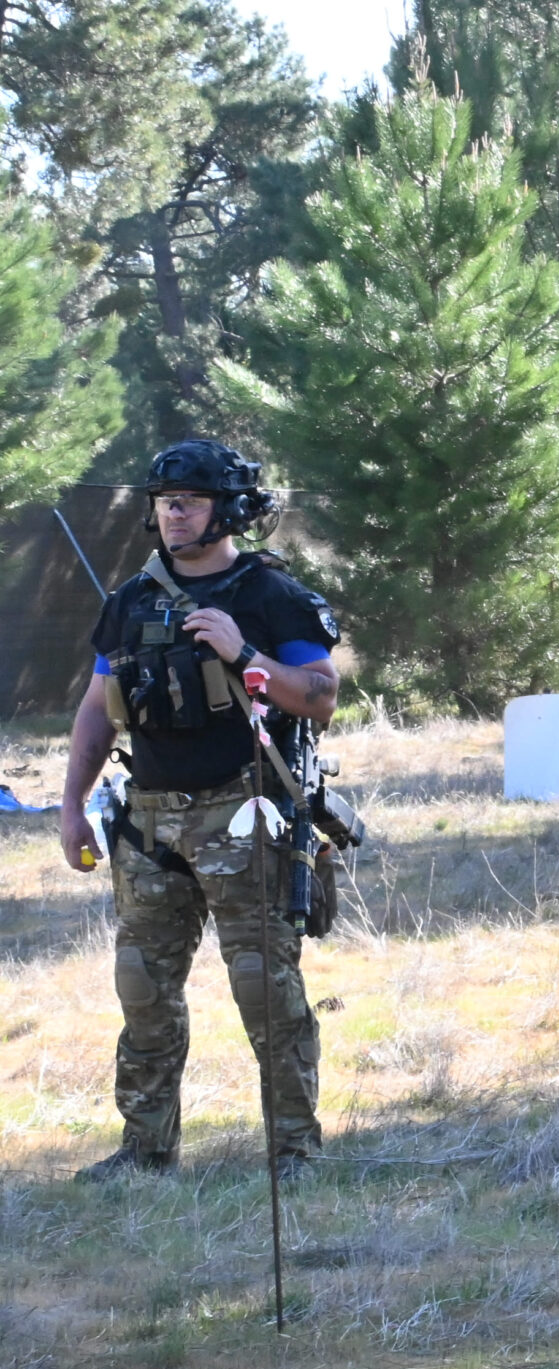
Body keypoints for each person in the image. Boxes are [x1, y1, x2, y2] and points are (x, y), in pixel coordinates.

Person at [59, 439, 342, 1181]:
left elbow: (321, 696)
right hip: (149, 825)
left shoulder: (270, 594)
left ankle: (294, 1152)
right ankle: (145, 1152)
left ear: (228, 510)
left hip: (243, 817)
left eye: (188, 501)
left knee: (264, 988)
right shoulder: (130, 601)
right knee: (142, 989)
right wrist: (71, 805)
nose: (173, 514)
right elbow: (96, 709)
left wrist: (245, 654)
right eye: (163, 502)